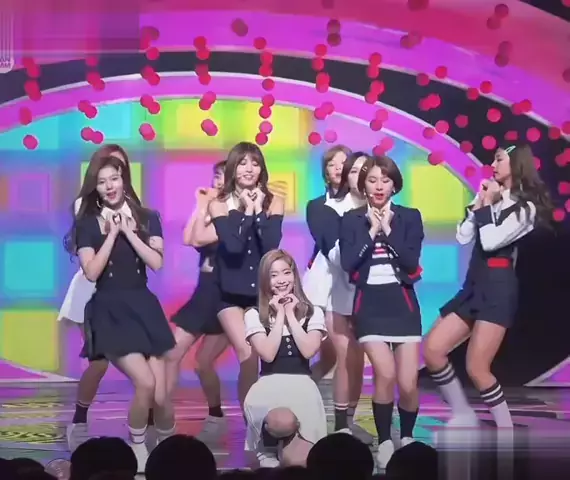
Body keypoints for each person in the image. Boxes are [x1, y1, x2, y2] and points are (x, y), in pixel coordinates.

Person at [423, 143, 554, 428]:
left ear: (515, 164)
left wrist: (488, 206)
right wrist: (480, 203)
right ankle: (462, 412)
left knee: (477, 368)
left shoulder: (525, 208)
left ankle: (505, 427)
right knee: (432, 349)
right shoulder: (489, 197)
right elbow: (463, 236)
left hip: (498, 290)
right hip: (473, 286)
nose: (492, 165)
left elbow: (493, 241)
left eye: (499, 160)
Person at [63, 155, 176, 472]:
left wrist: (129, 232)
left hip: (144, 307)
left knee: (162, 395)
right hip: (109, 309)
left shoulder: (148, 217)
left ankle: (169, 448)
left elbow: (157, 262)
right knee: (145, 382)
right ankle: (137, 444)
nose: (109, 186)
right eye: (102, 182)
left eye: (114, 178)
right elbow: (91, 272)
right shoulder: (87, 223)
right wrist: (112, 234)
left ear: (124, 179)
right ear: (95, 188)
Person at [59, 144, 151, 452]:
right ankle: (79, 421)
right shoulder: (85, 206)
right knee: (99, 363)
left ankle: (147, 426)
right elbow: (90, 252)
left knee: (148, 361)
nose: (113, 181)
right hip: (91, 295)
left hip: (127, 295)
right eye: (107, 174)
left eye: (119, 172)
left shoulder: (135, 206)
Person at [339, 154, 424, 468]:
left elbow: (411, 263)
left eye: (385, 180)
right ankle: (385, 439)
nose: (378, 186)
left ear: (394, 185)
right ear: (364, 185)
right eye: (372, 180)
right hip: (370, 305)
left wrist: (387, 229)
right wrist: (371, 231)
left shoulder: (410, 217)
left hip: (403, 305)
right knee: (385, 373)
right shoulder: (351, 219)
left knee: (409, 382)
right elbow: (349, 263)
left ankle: (408, 437)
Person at [208, 142, 285, 412]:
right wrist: (247, 212)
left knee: (270, 357)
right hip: (229, 293)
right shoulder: (219, 204)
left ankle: (271, 416)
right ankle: (251, 421)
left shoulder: (274, 201)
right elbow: (232, 246)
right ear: (233, 168)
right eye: (242, 163)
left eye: (255, 163)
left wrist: (259, 211)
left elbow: (271, 246)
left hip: (261, 293)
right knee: (248, 354)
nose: (249, 169)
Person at [303, 146, 372, 444]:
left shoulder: (377, 203)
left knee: (352, 357)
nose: (343, 170)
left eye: (351, 166)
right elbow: (334, 252)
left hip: (366, 290)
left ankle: (347, 420)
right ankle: (338, 422)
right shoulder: (325, 207)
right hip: (330, 288)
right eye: (337, 165)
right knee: (342, 355)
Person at [243, 249, 328, 468]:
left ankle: (286, 445)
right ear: (265, 280)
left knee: (298, 465)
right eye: (274, 275)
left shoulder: (313, 313)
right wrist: (279, 314)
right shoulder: (254, 314)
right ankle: (267, 444)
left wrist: (291, 313)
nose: (281, 280)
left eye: (286, 272)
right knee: (282, 421)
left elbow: (308, 350)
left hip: (302, 389)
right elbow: (268, 353)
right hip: (269, 388)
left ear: (294, 275)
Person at [165, 160, 230, 441]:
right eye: (216, 176)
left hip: (225, 296)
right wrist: (201, 205)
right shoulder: (210, 207)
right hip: (202, 294)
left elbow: (199, 240)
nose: (218, 181)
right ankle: (163, 417)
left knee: (203, 363)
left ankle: (216, 415)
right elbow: (187, 237)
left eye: (224, 176)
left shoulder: (234, 212)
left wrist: (209, 208)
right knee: (171, 354)